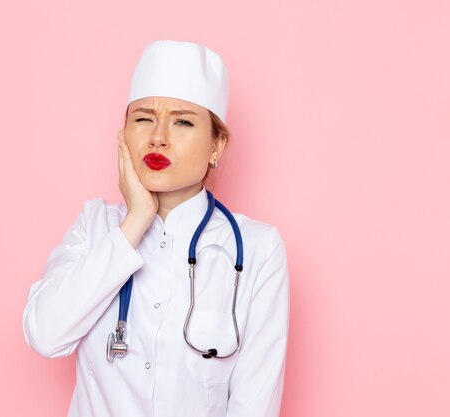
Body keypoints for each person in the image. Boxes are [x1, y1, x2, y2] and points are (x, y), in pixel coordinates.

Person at [22, 40, 290, 417]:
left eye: (182, 121)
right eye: (144, 118)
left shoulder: (258, 250)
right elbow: (45, 335)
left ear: (217, 145)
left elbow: (254, 405)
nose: (158, 137)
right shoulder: (95, 227)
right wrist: (134, 223)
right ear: (124, 134)